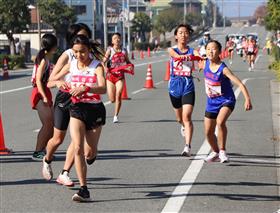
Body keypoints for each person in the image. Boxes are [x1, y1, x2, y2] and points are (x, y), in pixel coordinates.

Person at [42, 23, 94, 186]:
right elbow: (50, 81)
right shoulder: (68, 55)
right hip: (65, 98)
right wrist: (58, 82)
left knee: (77, 139)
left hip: (81, 100)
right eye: (79, 37)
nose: (82, 40)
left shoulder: (91, 55)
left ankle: (65, 172)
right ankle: (47, 158)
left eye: (85, 37)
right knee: (57, 139)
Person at [57, 34, 106, 202]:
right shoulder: (71, 65)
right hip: (77, 108)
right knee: (77, 147)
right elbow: (53, 79)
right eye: (76, 52)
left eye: (82, 52)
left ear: (89, 50)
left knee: (89, 151)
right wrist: (59, 83)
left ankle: (92, 155)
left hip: (95, 110)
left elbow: (103, 88)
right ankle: (84, 189)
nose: (79, 55)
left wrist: (86, 88)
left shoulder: (97, 66)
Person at [198, 40, 252, 163]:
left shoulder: (223, 69)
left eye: (214, 49)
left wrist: (247, 99)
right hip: (211, 102)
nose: (211, 51)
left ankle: (222, 151)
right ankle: (215, 152)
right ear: (205, 51)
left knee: (220, 121)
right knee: (208, 132)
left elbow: (239, 83)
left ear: (220, 52)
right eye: (208, 49)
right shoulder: (204, 63)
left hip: (226, 100)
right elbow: (195, 60)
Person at [168, 24, 201, 157]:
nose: (183, 35)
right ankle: (183, 125)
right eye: (180, 33)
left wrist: (201, 59)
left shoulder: (193, 50)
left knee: (187, 116)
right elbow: (175, 56)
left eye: (186, 32)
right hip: (174, 85)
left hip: (188, 84)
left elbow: (199, 56)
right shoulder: (171, 49)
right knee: (179, 118)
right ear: (176, 36)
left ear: (189, 35)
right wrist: (188, 57)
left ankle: (187, 146)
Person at [30, 33, 57, 160]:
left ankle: (44, 149)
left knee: (52, 124)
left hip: (45, 92)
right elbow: (38, 80)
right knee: (47, 124)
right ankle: (37, 152)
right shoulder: (43, 60)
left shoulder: (46, 58)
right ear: (53, 46)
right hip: (39, 93)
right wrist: (43, 96)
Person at [103, 32, 132, 123]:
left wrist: (130, 66)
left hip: (120, 76)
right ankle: (114, 103)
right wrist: (105, 69)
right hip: (110, 76)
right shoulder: (110, 50)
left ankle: (116, 116)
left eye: (118, 38)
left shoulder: (124, 51)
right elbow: (103, 62)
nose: (117, 39)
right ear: (112, 41)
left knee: (119, 94)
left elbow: (128, 61)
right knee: (112, 99)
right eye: (115, 38)